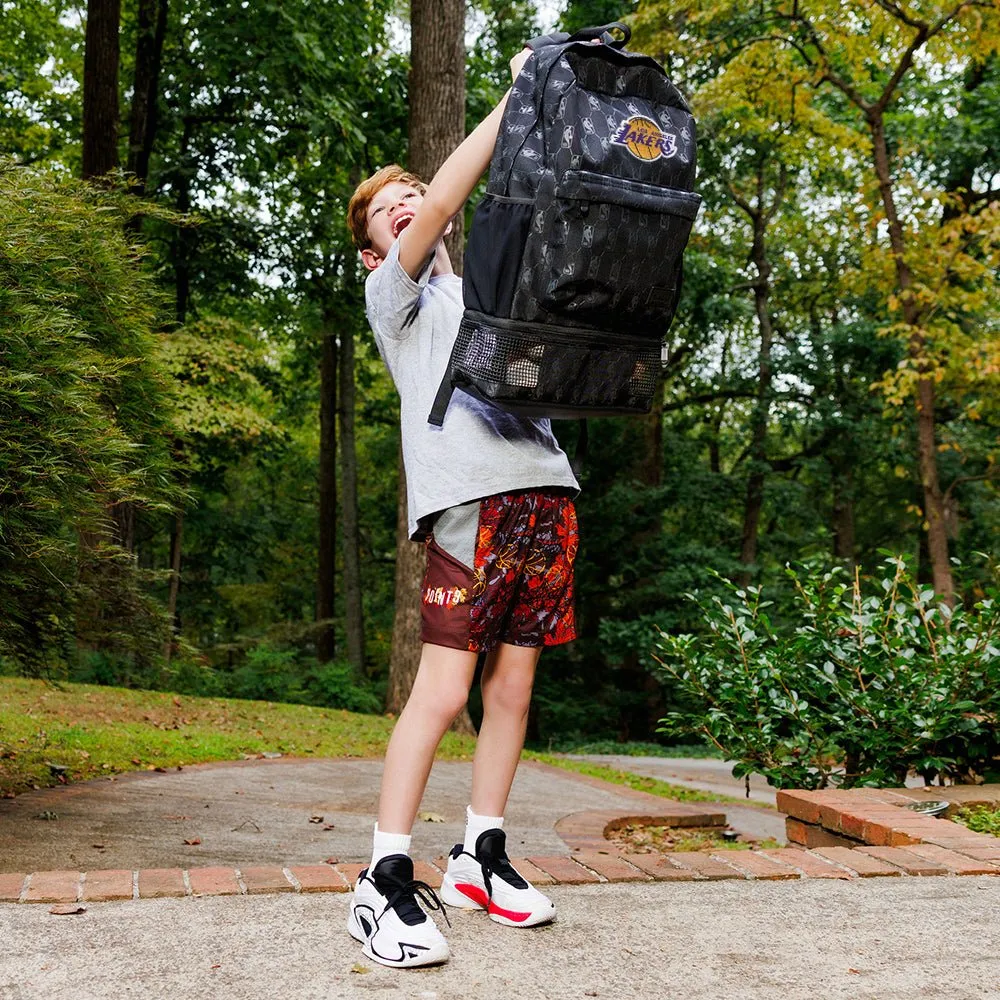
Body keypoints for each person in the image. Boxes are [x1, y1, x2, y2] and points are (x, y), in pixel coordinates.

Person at [343, 47, 580, 969]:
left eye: (410, 188)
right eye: (387, 206)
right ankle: (383, 878)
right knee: (442, 693)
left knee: (512, 692)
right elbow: (446, 200)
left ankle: (480, 854)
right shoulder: (394, 298)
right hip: (469, 507)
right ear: (376, 248)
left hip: (547, 496)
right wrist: (515, 89)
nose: (408, 199)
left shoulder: (492, 292)